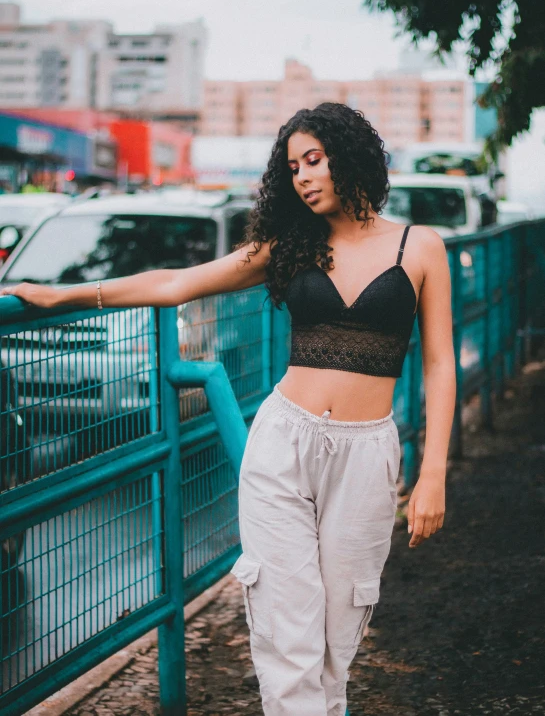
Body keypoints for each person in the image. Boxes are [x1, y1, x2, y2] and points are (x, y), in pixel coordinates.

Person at [1, 103, 455, 716]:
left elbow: (438, 365)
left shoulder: (420, 247)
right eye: (293, 167)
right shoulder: (292, 246)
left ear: (352, 156)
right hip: (283, 448)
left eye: (314, 160)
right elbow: (177, 283)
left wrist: (432, 476)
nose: (303, 177)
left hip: (367, 452)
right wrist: (67, 294)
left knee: (337, 637)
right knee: (285, 635)